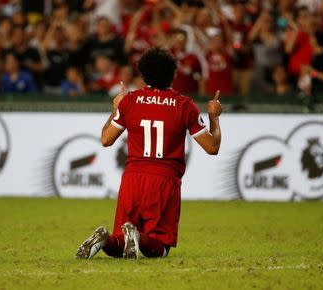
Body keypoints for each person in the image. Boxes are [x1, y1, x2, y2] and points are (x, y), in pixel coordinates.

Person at [76, 46, 222, 259]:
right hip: (164, 181)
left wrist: (116, 109)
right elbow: (212, 147)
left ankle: (105, 239)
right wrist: (214, 117)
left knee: (119, 241)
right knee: (160, 248)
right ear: (173, 74)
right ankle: (136, 235)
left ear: (143, 75)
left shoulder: (130, 101)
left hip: (132, 180)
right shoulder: (184, 105)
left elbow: (106, 139)